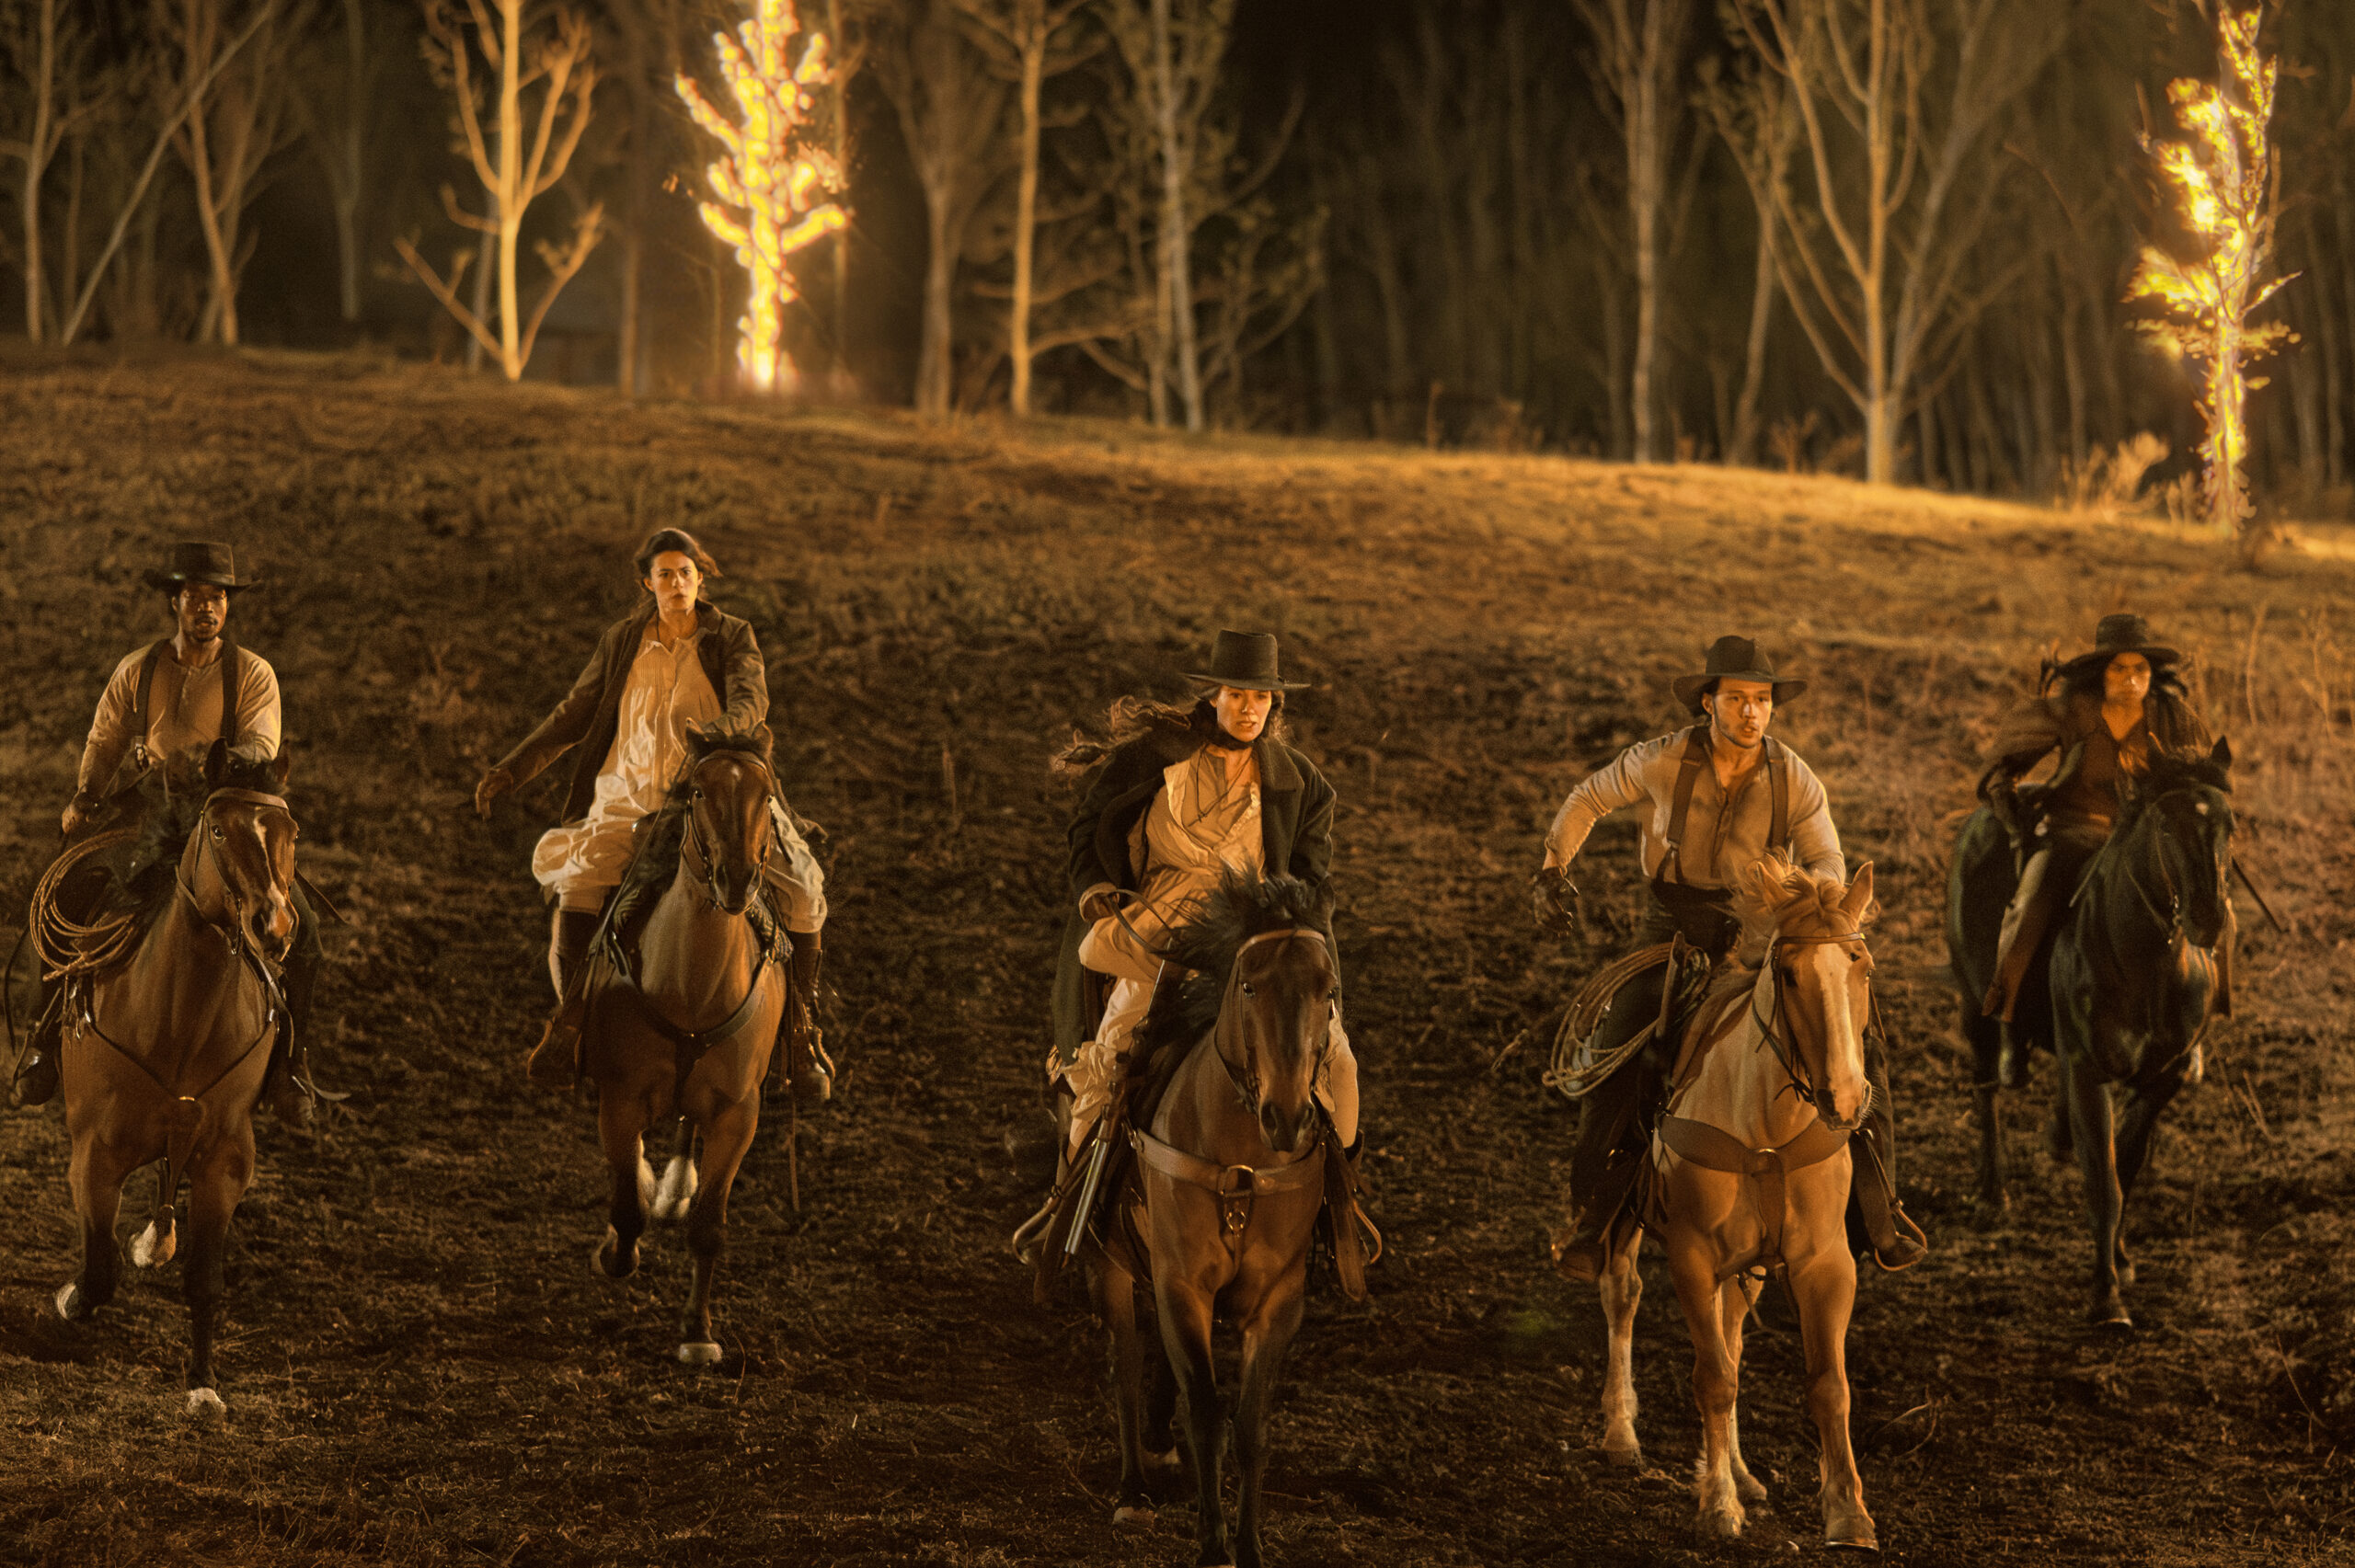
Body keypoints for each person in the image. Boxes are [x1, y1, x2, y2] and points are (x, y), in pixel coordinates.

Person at [1534, 635, 1924, 1282]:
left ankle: (1880, 1211)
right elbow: (1589, 797)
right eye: (1739, 699)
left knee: (1861, 1044)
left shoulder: (1793, 774)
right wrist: (1554, 867)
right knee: (1620, 1048)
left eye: (1763, 700)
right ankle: (1594, 1216)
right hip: (1672, 933)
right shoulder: (1661, 760)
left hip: (1763, 933)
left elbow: (1826, 852)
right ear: (1708, 703)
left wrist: (1819, 903)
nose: (1752, 713)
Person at [1014, 630, 1356, 1256]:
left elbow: (1312, 883)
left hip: (1249, 945)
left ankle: (1341, 1215)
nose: (1250, 708)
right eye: (1237, 694)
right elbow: (1087, 826)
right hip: (1155, 931)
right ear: (1215, 696)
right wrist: (1094, 886)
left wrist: (1315, 967)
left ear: (1275, 707)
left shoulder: (1298, 783)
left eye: (1262, 698)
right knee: (1112, 1058)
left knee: (1340, 1070)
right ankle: (1067, 1205)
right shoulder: (1154, 757)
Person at [473, 528, 833, 1100]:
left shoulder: (731, 635)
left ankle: (803, 1032)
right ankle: (571, 1023)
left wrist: (717, 736)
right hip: (632, 793)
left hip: (715, 789)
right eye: (664, 575)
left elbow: (751, 698)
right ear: (648, 583)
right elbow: (577, 711)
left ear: (700, 579)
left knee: (803, 890)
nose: (676, 584)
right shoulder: (623, 640)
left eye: (685, 573)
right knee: (582, 886)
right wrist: (513, 769)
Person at [13, 541, 327, 1123]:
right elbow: (104, 740)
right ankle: (43, 1039)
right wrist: (86, 795)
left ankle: (290, 1066)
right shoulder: (138, 669)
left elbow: (262, 746)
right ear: (174, 603)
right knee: (68, 894)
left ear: (228, 607)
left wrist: (207, 765)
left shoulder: (254, 674)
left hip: (226, 815)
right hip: (147, 817)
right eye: (195, 598)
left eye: (217, 599)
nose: (207, 609)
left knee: (303, 927)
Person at [1979, 613, 2217, 1077]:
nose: (2131, 681)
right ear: (2100, 671)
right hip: (2075, 830)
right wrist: (2008, 801)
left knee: (2211, 901)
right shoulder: (2072, 709)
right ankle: (2010, 1024)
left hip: (2147, 840)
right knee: (2029, 903)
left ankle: (2195, 1029)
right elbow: (2007, 760)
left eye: (2141, 670)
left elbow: (2202, 774)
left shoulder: (2171, 715)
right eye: (2119, 670)